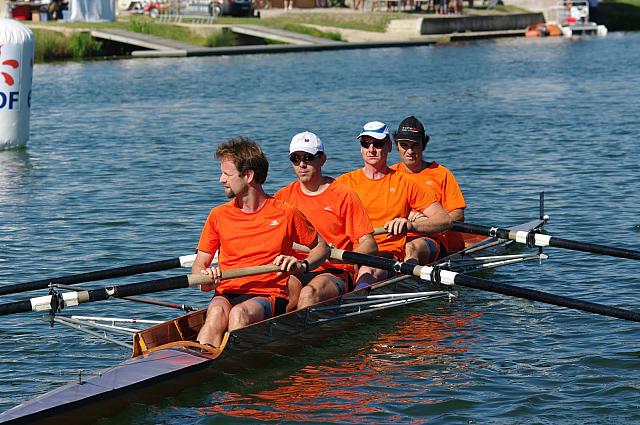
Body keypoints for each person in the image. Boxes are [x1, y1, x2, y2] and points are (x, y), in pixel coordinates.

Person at [192, 137, 330, 348]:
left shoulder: (285, 213)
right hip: (227, 291)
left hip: (268, 294)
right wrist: (206, 278)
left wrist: (302, 266)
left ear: (248, 175)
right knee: (216, 313)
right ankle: (201, 365)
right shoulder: (218, 215)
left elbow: (322, 248)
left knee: (239, 315)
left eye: (227, 174)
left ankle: (233, 369)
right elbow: (199, 265)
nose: (221, 179)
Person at [336, 121, 452, 287]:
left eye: (378, 143)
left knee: (367, 271)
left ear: (389, 146)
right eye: (365, 143)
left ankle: (357, 303)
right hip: (349, 253)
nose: (371, 149)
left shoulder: (405, 182)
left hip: (387, 255)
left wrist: (411, 226)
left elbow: (444, 220)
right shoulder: (343, 183)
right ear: (361, 147)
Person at [275, 131, 378, 310]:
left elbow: (369, 245)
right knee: (284, 295)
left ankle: (302, 336)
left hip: (334, 270)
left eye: (308, 157)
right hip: (297, 268)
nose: (302, 164)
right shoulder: (282, 197)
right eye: (295, 159)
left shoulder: (343, 195)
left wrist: (340, 259)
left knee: (309, 294)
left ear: (322, 159)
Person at [390, 116, 467, 265]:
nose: (409, 151)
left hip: (434, 239)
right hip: (397, 238)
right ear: (397, 146)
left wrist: (426, 220)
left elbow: (458, 216)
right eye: (404, 145)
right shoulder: (390, 174)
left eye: (415, 145)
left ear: (423, 145)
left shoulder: (441, 174)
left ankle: (408, 284)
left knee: (410, 248)